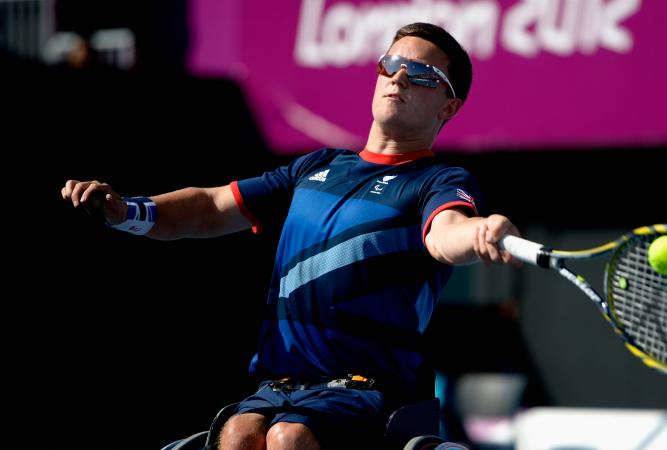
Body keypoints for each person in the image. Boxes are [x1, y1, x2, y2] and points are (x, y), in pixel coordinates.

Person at [61, 22, 520, 450]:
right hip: (282, 383)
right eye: (389, 64)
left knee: (288, 439)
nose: (398, 77)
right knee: (240, 434)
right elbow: (209, 208)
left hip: (372, 388)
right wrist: (127, 212)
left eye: (421, 72)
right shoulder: (315, 168)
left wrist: (481, 233)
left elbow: (446, 233)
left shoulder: (436, 180)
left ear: (449, 105)